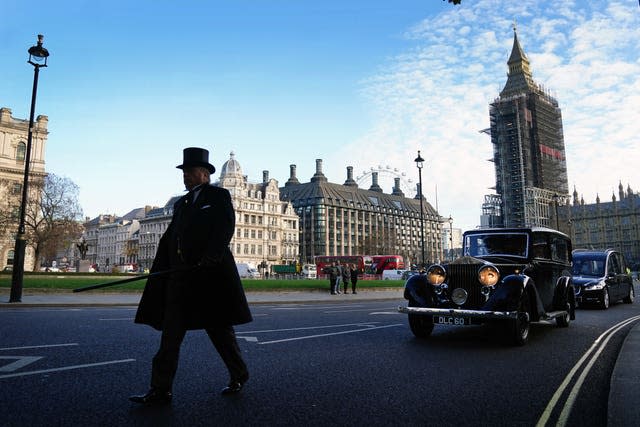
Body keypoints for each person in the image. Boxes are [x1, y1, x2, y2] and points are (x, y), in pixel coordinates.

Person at [129, 147, 252, 405]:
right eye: (184, 172)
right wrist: (162, 267)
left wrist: (211, 257)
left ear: (204, 174)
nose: (185, 176)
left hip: (210, 278)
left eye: (190, 172)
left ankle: (239, 373)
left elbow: (225, 226)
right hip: (182, 281)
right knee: (170, 338)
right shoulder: (181, 204)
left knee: (220, 333)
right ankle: (160, 390)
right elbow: (171, 236)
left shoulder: (218, 195)